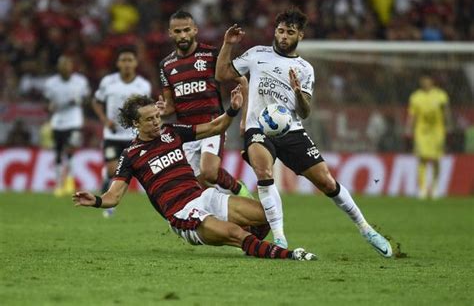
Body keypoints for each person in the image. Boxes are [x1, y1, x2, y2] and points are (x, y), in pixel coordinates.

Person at [215, 7, 392, 257]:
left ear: (300, 36)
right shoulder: (256, 55)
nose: (283, 36)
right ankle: (280, 239)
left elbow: (305, 112)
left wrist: (299, 94)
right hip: (259, 127)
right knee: (264, 172)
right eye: (280, 31)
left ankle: (365, 228)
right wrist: (227, 44)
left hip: (292, 131)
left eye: (290, 32)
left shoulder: (305, 69)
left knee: (327, 182)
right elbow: (221, 74)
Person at [73, 91, 316, 261]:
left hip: (206, 197)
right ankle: (289, 255)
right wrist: (94, 200)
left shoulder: (171, 132)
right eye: (149, 120)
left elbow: (214, 127)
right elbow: (113, 197)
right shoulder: (131, 155)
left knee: (267, 214)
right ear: (136, 123)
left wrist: (232, 109)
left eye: (157, 116)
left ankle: (252, 246)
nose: (156, 122)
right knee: (235, 233)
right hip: (184, 214)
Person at [157, 10, 252, 198]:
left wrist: (244, 119)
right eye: (177, 31)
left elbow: (243, 81)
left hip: (213, 124)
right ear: (170, 33)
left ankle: (239, 190)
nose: (182, 35)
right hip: (188, 132)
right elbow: (170, 106)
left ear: (195, 30)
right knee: (198, 187)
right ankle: (226, 215)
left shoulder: (210, 54)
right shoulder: (166, 65)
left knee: (209, 172)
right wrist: (160, 110)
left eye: (186, 30)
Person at [92, 46, 152, 217]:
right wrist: (104, 120)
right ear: (118, 63)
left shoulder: (143, 85)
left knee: (139, 171)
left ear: (135, 63)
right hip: (112, 135)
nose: (127, 64)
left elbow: (146, 108)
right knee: (112, 171)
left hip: (134, 136)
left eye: (130, 60)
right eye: (123, 60)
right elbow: (96, 102)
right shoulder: (108, 82)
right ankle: (109, 201)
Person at [43, 55, 91, 197]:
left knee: (70, 150)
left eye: (67, 64)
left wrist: (80, 100)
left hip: (74, 121)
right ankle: (58, 184)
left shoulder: (80, 81)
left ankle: (69, 181)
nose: (65, 67)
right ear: (58, 67)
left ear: (71, 66)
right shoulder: (51, 83)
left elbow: (87, 99)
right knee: (58, 152)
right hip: (58, 121)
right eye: (62, 65)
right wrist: (50, 107)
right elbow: (46, 104)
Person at [406, 75, 451, 199]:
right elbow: (412, 115)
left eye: (427, 80)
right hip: (421, 131)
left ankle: (436, 188)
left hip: (437, 131)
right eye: (423, 81)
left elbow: (446, 111)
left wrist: (449, 124)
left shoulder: (440, 95)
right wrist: (408, 128)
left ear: (432, 81)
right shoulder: (415, 97)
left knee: (436, 159)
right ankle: (422, 189)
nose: (425, 83)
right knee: (422, 159)